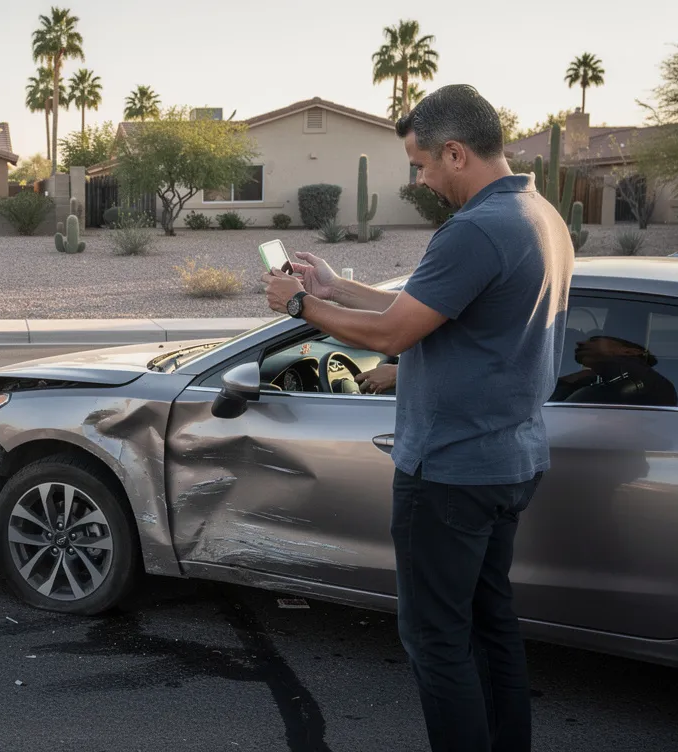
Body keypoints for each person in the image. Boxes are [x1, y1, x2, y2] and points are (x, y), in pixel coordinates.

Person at [262, 84, 574, 752]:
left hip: (452, 471)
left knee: (436, 640)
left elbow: (393, 335)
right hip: (508, 461)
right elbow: (428, 309)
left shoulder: (475, 229)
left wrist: (298, 307)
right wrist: (335, 288)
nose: (421, 181)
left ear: (455, 153)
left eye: (422, 165)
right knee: (489, 626)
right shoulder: (537, 214)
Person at [549, 335, 677, 407]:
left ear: (629, 351)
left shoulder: (639, 383)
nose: (579, 343)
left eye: (594, 340)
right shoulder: (606, 379)